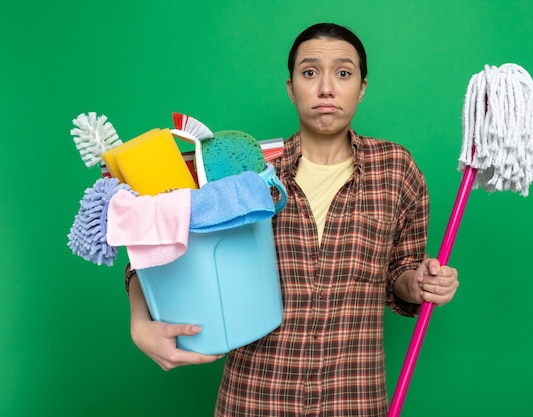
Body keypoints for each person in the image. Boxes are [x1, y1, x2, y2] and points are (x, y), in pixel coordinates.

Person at [126, 22, 459, 416]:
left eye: (343, 73)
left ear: (362, 87)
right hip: (254, 397)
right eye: (310, 72)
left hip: (354, 399)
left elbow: (400, 274)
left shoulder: (396, 169)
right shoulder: (246, 169)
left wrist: (419, 282)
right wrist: (139, 323)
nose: (326, 88)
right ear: (291, 87)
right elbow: (158, 240)